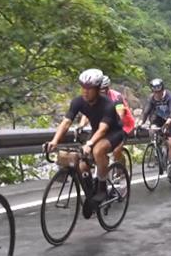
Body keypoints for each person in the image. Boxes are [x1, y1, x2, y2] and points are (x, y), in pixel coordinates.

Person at [46, 69, 125, 217]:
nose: (85, 91)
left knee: (97, 150)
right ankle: (91, 196)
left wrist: (89, 144)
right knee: (82, 165)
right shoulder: (78, 101)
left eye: (89, 88)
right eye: (83, 87)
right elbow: (66, 122)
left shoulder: (107, 104)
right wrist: (54, 141)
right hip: (96, 132)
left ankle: (102, 187)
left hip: (113, 132)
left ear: (97, 89)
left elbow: (102, 130)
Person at [79, 75, 136, 167]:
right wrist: (81, 125)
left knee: (116, 150)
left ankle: (121, 167)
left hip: (123, 126)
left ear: (108, 88)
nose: (100, 92)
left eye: (103, 90)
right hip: (105, 126)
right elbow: (86, 114)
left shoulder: (116, 97)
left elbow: (120, 114)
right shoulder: (93, 97)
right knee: (89, 150)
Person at [139, 78, 171, 180]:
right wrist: (140, 122)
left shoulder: (170, 96)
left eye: (159, 92)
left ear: (162, 90)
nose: (157, 94)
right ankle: (157, 149)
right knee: (152, 130)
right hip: (158, 118)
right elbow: (146, 111)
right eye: (155, 92)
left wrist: (168, 122)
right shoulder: (151, 98)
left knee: (170, 143)